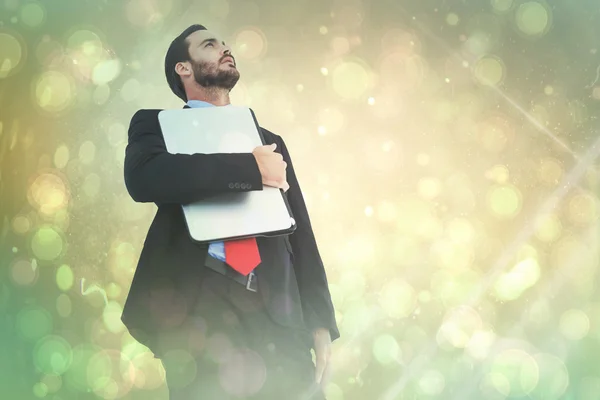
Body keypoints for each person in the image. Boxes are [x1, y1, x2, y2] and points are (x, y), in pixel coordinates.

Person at [121, 24, 339, 400]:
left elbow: (299, 231)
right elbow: (144, 179)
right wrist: (251, 170)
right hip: (197, 312)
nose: (225, 48)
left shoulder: (269, 139)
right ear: (183, 68)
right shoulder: (155, 126)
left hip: (279, 314)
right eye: (210, 44)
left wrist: (319, 322)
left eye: (225, 44)